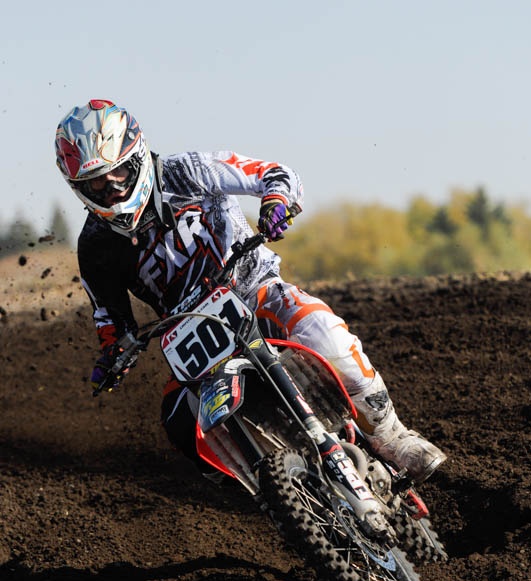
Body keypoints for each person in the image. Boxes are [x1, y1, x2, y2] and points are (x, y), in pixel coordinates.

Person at [55, 98, 446, 483]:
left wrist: (277, 200)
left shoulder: (188, 171)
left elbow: (274, 173)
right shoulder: (94, 246)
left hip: (255, 292)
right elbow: (109, 315)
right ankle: (266, 491)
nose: (112, 190)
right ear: (79, 188)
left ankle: (393, 436)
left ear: (137, 158)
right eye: (96, 184)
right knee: (179, 424)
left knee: (325, 334)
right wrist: (114, 351)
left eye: (119, 174)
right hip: (196, 339)